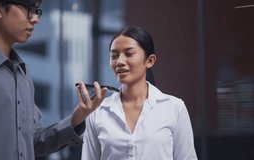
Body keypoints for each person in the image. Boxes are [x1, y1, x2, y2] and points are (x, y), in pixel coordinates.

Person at [0, 0, 107, 159]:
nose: (35, 18)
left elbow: (33, 142)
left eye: (36, 10)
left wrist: (77, 118)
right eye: (28, 8)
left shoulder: (22, 73)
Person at [81, 25, 198, 160]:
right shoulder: (98, 112)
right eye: (114, 56)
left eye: (129, 54)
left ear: (150, 61)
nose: (119, 62)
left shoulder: (174, 108)